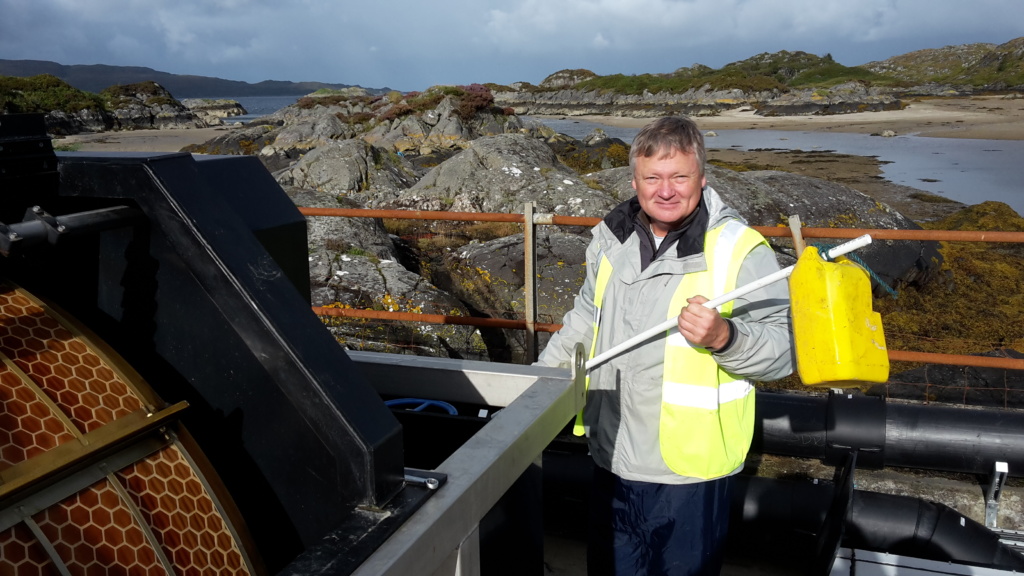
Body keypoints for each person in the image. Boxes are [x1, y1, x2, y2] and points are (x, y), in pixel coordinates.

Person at [536, 116, 795, 576]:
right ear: (634, 180)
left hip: (688, 473)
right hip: (611, 453)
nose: (666, 190)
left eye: (680, 176)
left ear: (702, 178)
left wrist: (725, 338)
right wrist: (533, 390)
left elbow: (785, 350)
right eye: (653, 177)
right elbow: (583, 322)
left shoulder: (740, 249)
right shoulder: (609, 239)